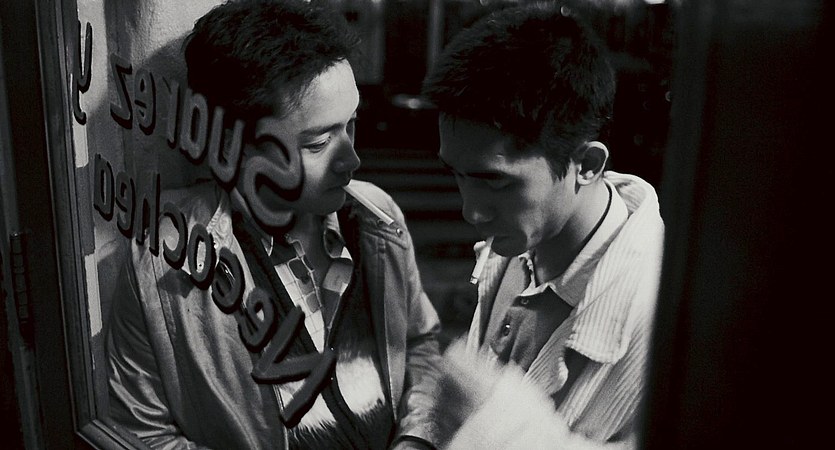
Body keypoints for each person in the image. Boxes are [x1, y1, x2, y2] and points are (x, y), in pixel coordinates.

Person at [105, 1, 441, 449]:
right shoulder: (162, 259)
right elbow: (142, 434)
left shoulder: (379, 219)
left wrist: (416, 439)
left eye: (352, 125)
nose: (353, 160)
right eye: (318, 142)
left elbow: (420, 346)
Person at [422, 2, 664, 448]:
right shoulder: (520, 244)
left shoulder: (661, 314)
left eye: (495, 181)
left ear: (586, 165)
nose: (471, 211)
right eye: (457, 174)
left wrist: (500, 431)